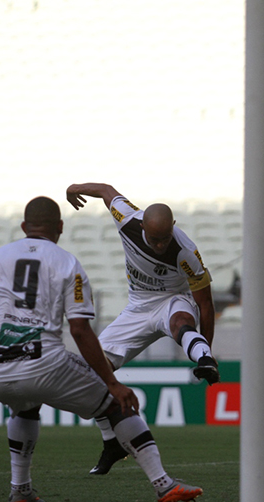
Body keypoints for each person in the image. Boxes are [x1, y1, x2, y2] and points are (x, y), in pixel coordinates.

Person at [0, 196, 203, 502]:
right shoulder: (67, 263)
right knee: (117, 404)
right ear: (60, 227)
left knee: (24, 407)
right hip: (44, 362)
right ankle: (164, 485)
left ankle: (20, 490)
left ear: (23, 227)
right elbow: (80, 330)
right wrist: (112, 383)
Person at [66, 182, 220, 475]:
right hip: (137, 307)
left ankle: (203, 360)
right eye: (154, 239)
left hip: (172, 300)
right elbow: (106, 190)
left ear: (173, 227)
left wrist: (207, 350)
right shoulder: (127, 219)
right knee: (93, 369)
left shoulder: (186, 251)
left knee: (181, 323)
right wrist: (75, 188)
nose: (160, 245)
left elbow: (205, 304)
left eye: (164, 239)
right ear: (143, 227)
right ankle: (112, 443)